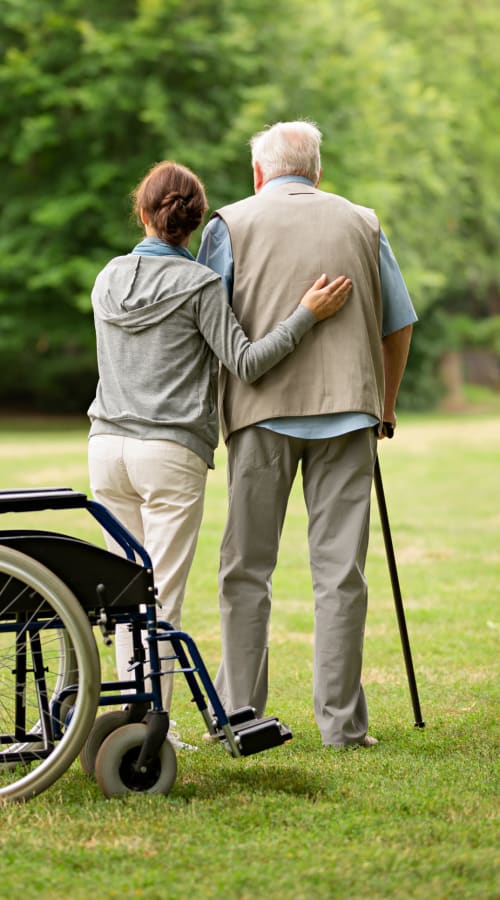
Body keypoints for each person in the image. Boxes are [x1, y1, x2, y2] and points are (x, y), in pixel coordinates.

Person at [87, 159, 352, 748]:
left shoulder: (106, 278)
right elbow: (249, 363)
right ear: (197, 221)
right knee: (159, 596)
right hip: (168, 452)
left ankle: (132, 716)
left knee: (126, 592)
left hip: (105, 448)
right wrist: (307, 315)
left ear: (143, 211)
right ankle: (153, 728)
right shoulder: (199, 284)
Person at [197, 121, 417, 748]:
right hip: (350, 413)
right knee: (340, 575)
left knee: (246, 570)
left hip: (260, 416)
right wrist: (386, 404)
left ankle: (240, 713)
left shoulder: (229, 224)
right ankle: (343, 727)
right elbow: (398, 325)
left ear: (259, 173)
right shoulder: (362, 222)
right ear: (316, 171)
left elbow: (209, 325)